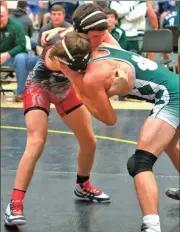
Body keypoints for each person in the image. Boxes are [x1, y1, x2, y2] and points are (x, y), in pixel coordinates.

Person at [4, 3, 122, 226]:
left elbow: (119, 53)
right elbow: (86, 79)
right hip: (40, 86)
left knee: (89, 142)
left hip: (66, 87)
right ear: (83, 34)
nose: (102, 38)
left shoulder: (87, 34)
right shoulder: (64, 47)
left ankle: (83, 185)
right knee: (36, 141)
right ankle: (14, 204)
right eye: (96, 35)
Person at [49, 32, 179, 232]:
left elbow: (110, 120)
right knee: (169, 144)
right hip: (175, 87)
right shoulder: (108, 44)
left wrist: (78, 87)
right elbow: (95, 19)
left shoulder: (90, 78)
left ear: (69, 65)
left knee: (140, 162)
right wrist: (65, 31)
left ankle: (152, 226)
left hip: (173, 98)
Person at [0, 5, 28, 102]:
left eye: (1, 16)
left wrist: (7, 54)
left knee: (21, 58)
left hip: (13, 57)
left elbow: (22, 45)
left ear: (7, 15)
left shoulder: (16, 26)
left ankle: (21, 93)